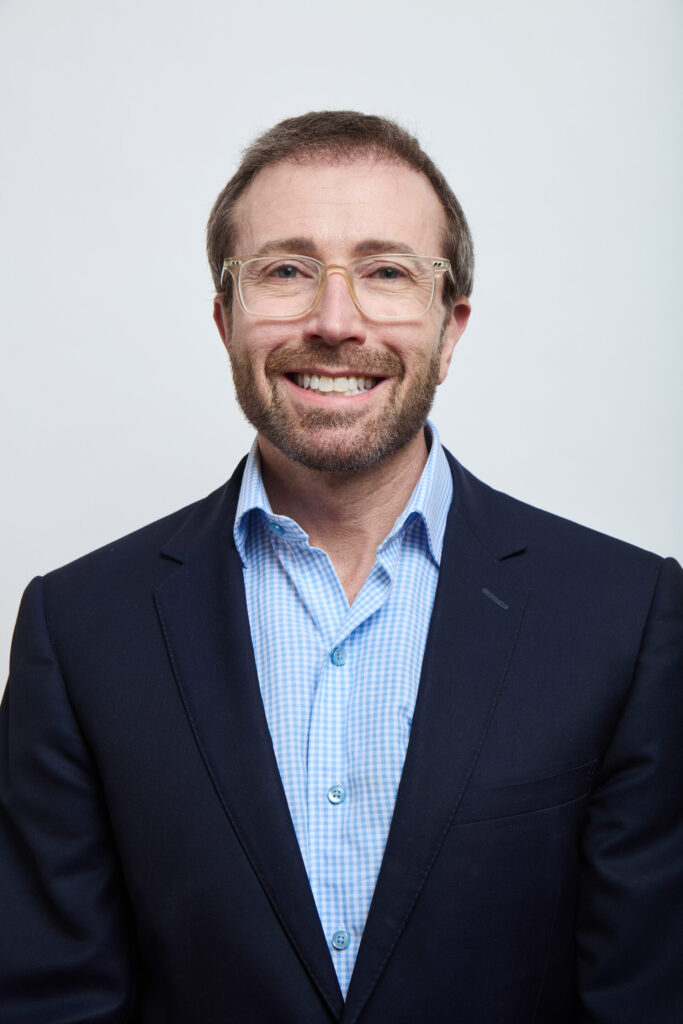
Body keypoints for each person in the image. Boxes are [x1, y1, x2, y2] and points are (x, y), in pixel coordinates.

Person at [1, 111, 681, 1024]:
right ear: (223, 318)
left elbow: (644, 994)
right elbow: (49, 1002)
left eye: (387, 272)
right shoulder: (77, 629)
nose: (333, 320)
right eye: (283, 271)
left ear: (450, 328)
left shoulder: (625, 616)